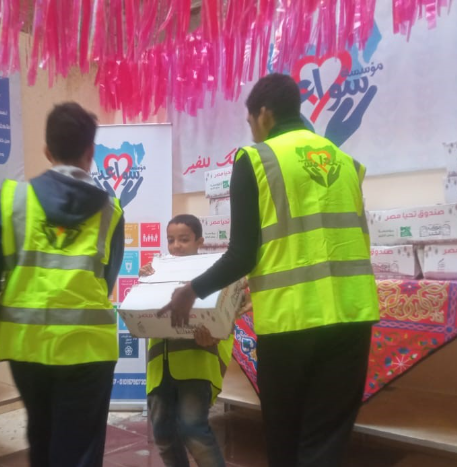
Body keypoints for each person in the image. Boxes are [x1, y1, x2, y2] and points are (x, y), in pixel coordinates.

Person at [161, 73, 380, 467]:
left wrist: (191, 290)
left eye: (250, 123)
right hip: (352, 316)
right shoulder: (345, 161)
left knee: (285, 436)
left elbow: (242, 254)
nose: (253, 132)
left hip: (290, 320)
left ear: (263, 114)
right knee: (327, 440)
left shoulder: (256, 159)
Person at [0, 102, 125, 467]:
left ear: (48, 151)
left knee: (42, 436)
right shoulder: (110, 210)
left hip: (27, 346)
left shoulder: (12, 200)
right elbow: (108, 277)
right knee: (78, 449)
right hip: (88, 347)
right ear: (91, 152)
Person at [141, 214, 233, 467]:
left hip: (196, 365)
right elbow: (145, 312)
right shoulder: (156, 270)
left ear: (199, 242)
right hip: (160, 366)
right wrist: (144, 282)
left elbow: (226, 321)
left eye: (184, 239)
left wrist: (214, 339)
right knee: (162, 433)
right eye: (170, 240)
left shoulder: (212, 276)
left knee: (193, 429)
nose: (176, 246)